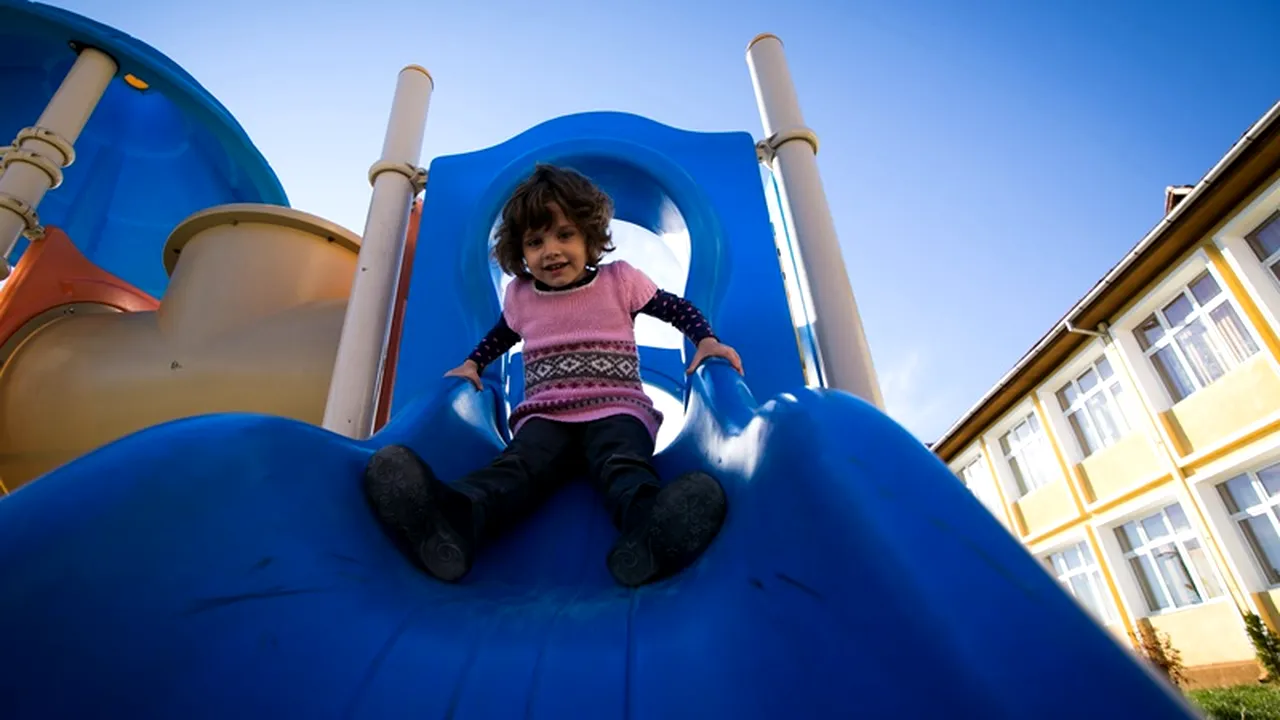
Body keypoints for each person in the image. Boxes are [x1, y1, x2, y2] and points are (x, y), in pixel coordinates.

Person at [362, 164, 743, 587]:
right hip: (546, 417)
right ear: (520, 251)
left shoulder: (620, 281)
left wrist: (706, 341)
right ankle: (452, 523)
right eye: (535, 241)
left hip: (616, 409)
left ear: (589, 235)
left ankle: (650, 532)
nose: (551, 251)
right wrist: (473, 364)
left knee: (623, 466)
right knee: (517, 468)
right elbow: (500, 336)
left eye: (565, 235)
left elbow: (675, 308)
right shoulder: (521, 296)